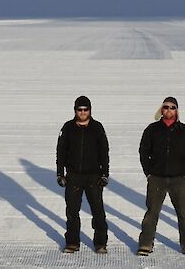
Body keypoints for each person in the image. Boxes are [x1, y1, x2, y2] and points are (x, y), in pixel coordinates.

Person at [137, 97, 185, 257]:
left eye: (172, 107)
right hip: (156, 178)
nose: (168, 110)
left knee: (183, 215)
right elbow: (143, 151)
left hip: (179, 179)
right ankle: (145, 244)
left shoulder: (184, 131)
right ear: (161, 110)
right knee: (151, 213)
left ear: (176, 110)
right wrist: (148, 173)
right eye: (166, 107)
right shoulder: (152, 130)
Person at [56, 96, 110, 254]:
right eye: (80, 109)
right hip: (73, 176)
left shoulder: (97, 127)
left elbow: (104, 152)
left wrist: (105, 173)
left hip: (94, 176)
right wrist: (60, 173)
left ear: (90, 111)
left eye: (85, 109)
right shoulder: (67, 128)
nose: (82, 112)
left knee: (98, 211)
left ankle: (100, 243)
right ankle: (72, 242)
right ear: (75, 111)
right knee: (72, 211)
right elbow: (61, 151)